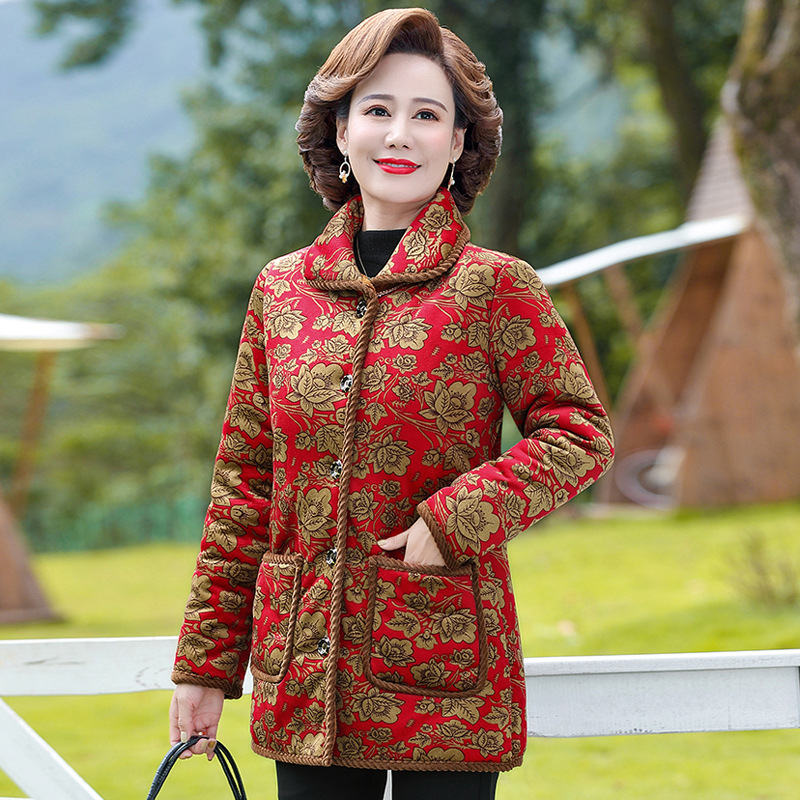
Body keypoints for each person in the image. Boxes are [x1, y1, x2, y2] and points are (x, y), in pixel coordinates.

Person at [168, 7, 614, 800]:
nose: (400, 135)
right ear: (340, 130)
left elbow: (579, 432)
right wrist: (206, 666)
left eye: (427, 115)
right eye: (377, 110)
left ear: (460, 142)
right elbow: (244, 486)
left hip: (444, 663)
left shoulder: (495, 286)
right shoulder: (281, 291)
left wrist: (455, 521)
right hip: (302, 668)